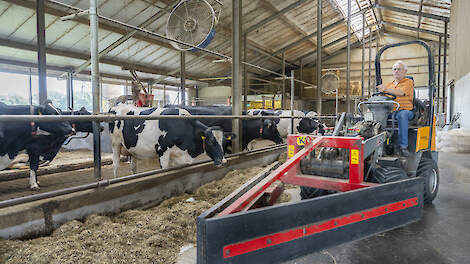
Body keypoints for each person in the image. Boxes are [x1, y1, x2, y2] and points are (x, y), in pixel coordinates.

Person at [376, 60, 414, 157]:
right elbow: (382, 97)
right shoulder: (389, 84)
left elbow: (401, 93)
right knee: (377, 115)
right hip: (392, 111)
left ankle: (403, 146)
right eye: (395, 69)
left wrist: (385, 89)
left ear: (405, 71)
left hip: (406, 111)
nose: (396, 71)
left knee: (402, 115)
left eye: (399, 69)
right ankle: (378, 144)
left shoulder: (408, 82)